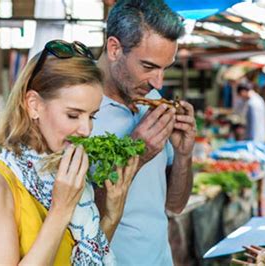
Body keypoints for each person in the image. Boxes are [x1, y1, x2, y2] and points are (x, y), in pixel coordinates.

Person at [0, 40, 139, 265]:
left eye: (92, 116)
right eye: (73, 115)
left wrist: (112, 216)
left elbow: (85, 256)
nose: (87, 130)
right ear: (34, 105)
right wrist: (60, 210)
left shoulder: (65, 173)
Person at [92, 0, 196, 265]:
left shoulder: (149, 94)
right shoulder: (78, 110)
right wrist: (135, 155)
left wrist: (184, 154)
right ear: (114, 48)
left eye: (164, 68)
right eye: (148, 67)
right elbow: (76, 216)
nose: (158, 82)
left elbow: (174, 206)